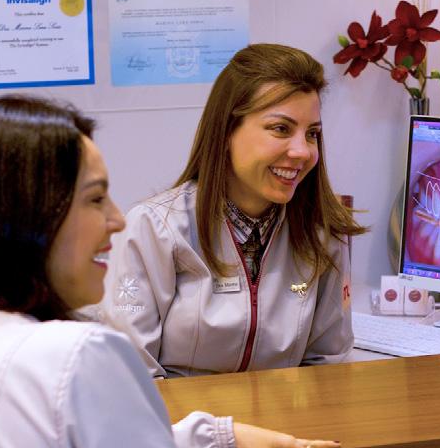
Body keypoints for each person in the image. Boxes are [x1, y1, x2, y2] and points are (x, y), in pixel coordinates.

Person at [0, 96, 339, 448]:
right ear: (25, 216)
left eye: (312, 133)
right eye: (95, 199)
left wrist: (222, 438)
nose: (115, 219)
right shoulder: (78, 356)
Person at [100, 43, 366, 379]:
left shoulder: (321, 234)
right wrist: (220, 433)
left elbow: (329, 370)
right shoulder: (153, 229)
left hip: (285, 428)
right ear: (227, 131)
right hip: (184, 428)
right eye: (281, 129)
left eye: (312, 134)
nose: (302, 151)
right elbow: (133, 380)